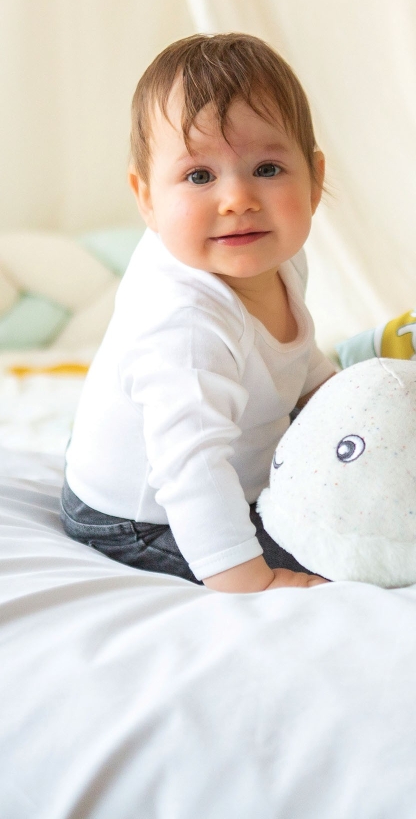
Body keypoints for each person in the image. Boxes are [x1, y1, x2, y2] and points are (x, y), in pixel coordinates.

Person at [61, 33, 337, 592]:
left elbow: (293, 355)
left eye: (267, 169)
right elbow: (191, 469)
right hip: (145, 514)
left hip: (222, 472)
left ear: (314, 180)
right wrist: (249, 580)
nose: (238, 200)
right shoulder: (182, 322)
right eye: (199, 176)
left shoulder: (274, 255)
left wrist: (338, 398)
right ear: (147, 199)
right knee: (337, 548)